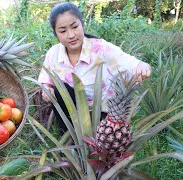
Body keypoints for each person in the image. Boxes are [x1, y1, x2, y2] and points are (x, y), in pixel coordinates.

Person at [37, 2, 151, 131]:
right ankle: (67, 135)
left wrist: (142, 66)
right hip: (70, 114)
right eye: (63, 31)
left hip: (100, 113)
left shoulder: (101, 48)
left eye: (74, 27)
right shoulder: (53, 53)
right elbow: (45, 80)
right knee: (60, 90)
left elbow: (132, 63)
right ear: (56, 33)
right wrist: (46, 89)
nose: (71, 35)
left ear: (82, 24)